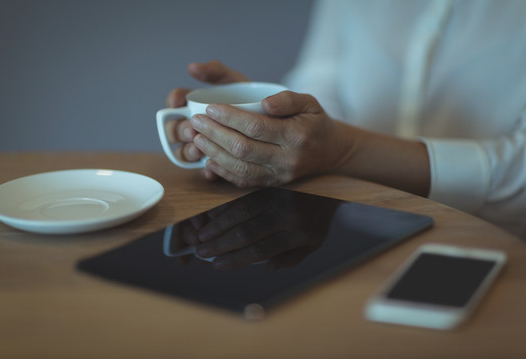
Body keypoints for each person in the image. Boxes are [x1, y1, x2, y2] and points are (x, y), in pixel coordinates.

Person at [164, 0, 526, 239]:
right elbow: (318, 83)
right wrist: (270, 127)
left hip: (497, 244)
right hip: (345, 233)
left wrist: (343, 150)